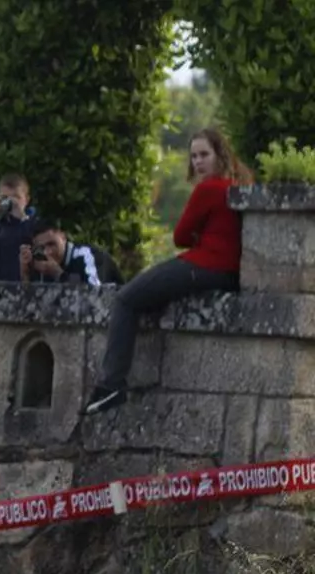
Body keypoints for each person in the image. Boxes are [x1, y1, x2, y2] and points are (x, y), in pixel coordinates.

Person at [85, 127, 252, 415]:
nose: (198, 162)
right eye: (194, 156)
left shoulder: (208, 189)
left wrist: (200, 236)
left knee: (125, 299)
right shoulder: (238, 188)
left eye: (204, 155)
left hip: (202, 265)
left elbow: (180, 236)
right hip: (227, 274)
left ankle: (111, 385)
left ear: (220, 156)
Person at [21, 222, 123, 286]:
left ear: (63, 237)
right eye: (42, 248)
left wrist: (58, 274)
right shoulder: (41, 263)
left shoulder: (87, 255)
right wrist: (25, 274)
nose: (48, 252)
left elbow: (94, 294)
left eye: (52, 244)